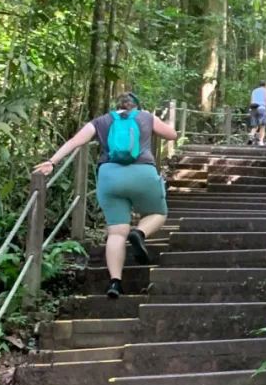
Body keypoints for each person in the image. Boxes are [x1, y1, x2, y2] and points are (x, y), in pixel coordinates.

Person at [34, 90, 177, 298]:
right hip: (142, 173)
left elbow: (75, 141)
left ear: (116, 105)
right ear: (135, 106)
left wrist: (51, 162)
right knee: (158, 213)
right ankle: (139, 233)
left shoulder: (102, 121)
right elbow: (172, 135)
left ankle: (115, 283)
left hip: (109, 177)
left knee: (117, 232)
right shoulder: (146, 116)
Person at [249, 81, 266, 145]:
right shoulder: (265, 91)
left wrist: (250, 109)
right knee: (262, 126)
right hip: (261, 108)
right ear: (265, 85)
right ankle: (261, 141)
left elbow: (251, 101)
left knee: (254, 126)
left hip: (253, 109)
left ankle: (251, 136)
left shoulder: (254, 91)